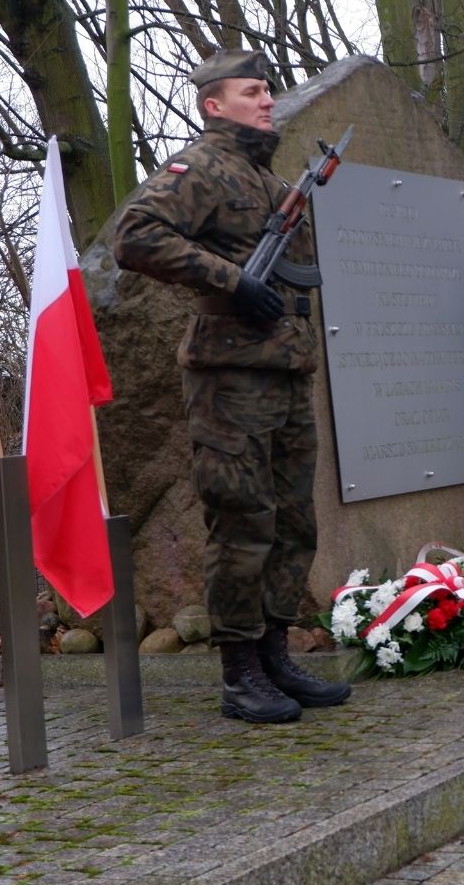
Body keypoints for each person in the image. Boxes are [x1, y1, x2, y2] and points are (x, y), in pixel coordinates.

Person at [113, 49, 350, 723]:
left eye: (269, 89)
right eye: (252, 91)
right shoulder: (204, 167)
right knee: (243, 524)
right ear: (214, 105)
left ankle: (275, 657)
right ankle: (239, 672)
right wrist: (230, 280)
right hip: (230, 381)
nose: (268, 99)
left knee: (292, 523)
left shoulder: (267, 177)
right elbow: (137, 234)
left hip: (284, 372)